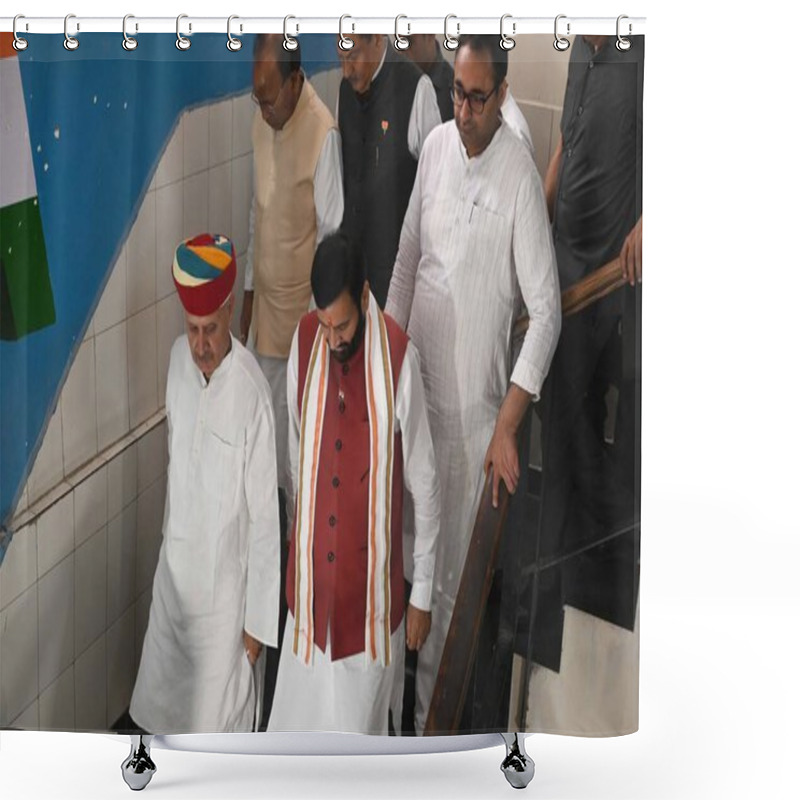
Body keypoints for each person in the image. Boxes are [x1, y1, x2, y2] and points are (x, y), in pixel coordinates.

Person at [385, 35, 561, 734]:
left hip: (469, 422)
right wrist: (385, 365)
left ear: (504, 93)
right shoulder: (432, 149)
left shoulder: (518, 173)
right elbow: (404, 263)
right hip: (410, 398)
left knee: (449, 588)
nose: (463, 110)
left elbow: (546, 314)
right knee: (400, 565)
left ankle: (430, 734)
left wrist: (509, 425)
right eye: (457, 92)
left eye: (476, 97)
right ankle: (385, 722)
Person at [267, 232, 440, 735]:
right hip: (309, 609)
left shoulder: (400, 361)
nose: (334, 339)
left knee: (356, 761)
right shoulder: (305, 344)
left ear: (364, 297)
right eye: (325, 326)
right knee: (293, 755)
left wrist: (422, 594)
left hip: (367, 618)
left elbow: (425, 489)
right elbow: (298, 454)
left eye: (342, 325)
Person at [130, 233, 281, 733]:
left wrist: (255, 633)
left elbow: (264, 525)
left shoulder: (252, 395)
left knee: (217, 750)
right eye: (192, 330)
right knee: (159, 728)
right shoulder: (177, 362)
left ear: (230, 309)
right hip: (173, 594)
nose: (200, 345)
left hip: (222, 617)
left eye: (211, 330)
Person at [537, 33, 643, 587]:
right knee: (559, 415)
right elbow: (563, 146)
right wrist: (533, 225)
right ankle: (581, 546)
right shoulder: (580, 47)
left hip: (604, 283)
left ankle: (559, 572)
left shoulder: (644, 53)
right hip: (561, 265)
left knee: (561, 417)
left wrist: (650, 224)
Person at [240, 33, 344, 498]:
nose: (262, 108)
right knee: (257, 456)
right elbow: (255, 215)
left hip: (298, 335)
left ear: (296, 79)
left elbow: (330, 241)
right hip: (260, 322)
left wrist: (309, 335)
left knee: (291, 466)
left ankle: (292, 562)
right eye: (256, 96)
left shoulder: (323, 132)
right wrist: (246, 298)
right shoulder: (262, 120)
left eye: (269, 96)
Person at [337, 34, 441, 307]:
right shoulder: (344, 91)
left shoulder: (417, 90)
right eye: (341, 58)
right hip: (352, 282)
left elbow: (438, 196)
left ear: (378, 40)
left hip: (399, 285)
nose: (346, 71)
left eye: (353, 56)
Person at [404, 34, 534, 157]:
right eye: (459, 93)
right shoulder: (437, 142)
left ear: (500, 94)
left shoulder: (515, 137)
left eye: (477, 99)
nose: (463, 115)